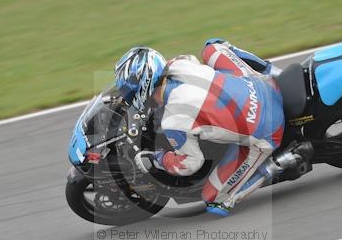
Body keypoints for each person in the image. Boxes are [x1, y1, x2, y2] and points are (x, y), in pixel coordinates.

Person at [114, 39, 311, 216]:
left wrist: (157, 159)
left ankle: (281, 162)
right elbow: (192, 62)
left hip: (267, 128)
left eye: (128, 91)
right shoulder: (178, 63)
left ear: (143, 88)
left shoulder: (174, 120)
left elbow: (191, 164)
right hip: (260, 85)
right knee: (213, 47)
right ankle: (273, 71)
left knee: (214, 200)